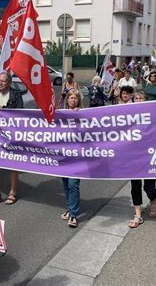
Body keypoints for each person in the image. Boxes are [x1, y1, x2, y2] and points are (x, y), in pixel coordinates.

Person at [127, 90, 156, 228]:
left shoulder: (153, 114)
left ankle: (153, 201)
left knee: (149, 187)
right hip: (132, 156)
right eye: (135, 98)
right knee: (135, 186)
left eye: (140, 98)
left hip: (148, 155)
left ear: (145, 99)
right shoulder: (127, 114)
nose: (138, 100)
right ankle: (137, 214)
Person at [0, 72, 23, 205]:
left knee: (12, 164)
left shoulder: (16, 95)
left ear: (9, 82)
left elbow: (20, 112)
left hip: (11, 135)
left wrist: (2, 108)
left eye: (3, 81)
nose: (1, 83)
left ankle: (13, 192)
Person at [60, 89, 82, 228]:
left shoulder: (83, 114)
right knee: (66, 185)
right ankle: (69, 208)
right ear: (67, 100)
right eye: (71, 98)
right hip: (63, 155)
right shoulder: (60, 115)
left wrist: (80, 115)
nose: (73, 100)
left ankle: (73, 214)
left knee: (73, 184)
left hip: (77, 156)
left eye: (75, 98)